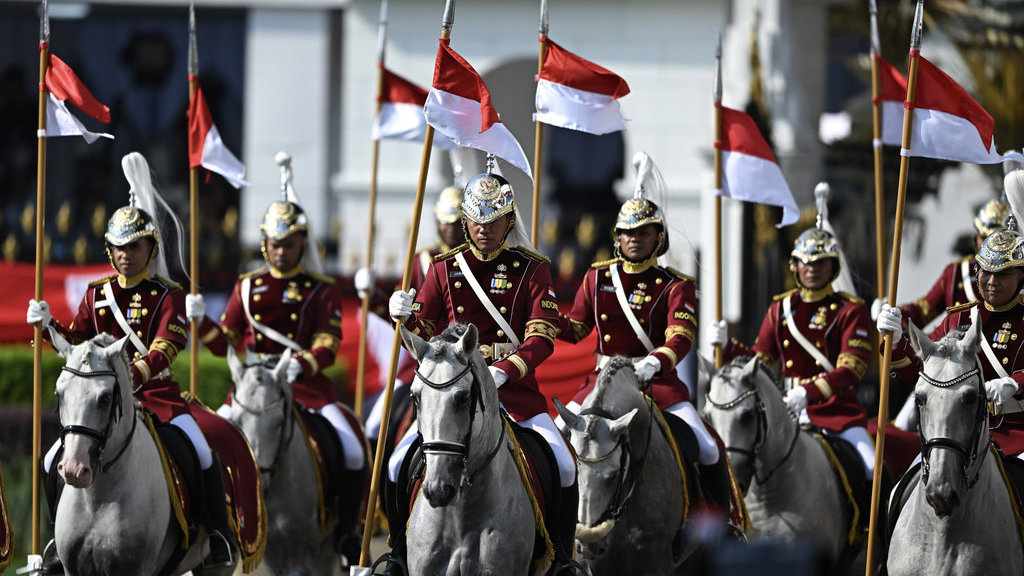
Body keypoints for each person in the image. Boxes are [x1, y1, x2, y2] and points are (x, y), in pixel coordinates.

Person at [26, 152, 235, 567]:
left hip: (156, 397)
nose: (125, 255)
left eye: (134, 247)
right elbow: (77, 345)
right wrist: (47, 327)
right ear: (109, 249)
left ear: (149, 247)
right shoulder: (96, 293)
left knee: (201, 449)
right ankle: (55, 543)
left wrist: (132, 375)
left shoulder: (167, 295)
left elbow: (168, 345)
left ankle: (216, 535)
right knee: (52, 458)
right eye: (118, 247)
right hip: (101, 398)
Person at [380, 162, 579, 575]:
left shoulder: (532, 268)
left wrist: (506, 370)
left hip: (515, 394)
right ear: (465, 220)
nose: (483, 229)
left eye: (493, 221)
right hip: (452, 390)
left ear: (509, 220)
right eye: (475, 220)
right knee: (398, 462)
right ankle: (398, 553)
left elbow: (542, 335)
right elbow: (423, 330)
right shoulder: (444, 267)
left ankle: (562, 558)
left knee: (562, 463)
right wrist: (401, 314)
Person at [186, 196, 365, 558]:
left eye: (288, 244)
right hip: (255, 387)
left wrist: (306, 363)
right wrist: (202, 322)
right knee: (204, 441)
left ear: (302, 242)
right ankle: (204, 529)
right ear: (265, 243)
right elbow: (225, 346)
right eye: (273, 243)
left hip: (305, 386)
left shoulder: (321, 288)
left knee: (353, 448)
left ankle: (346, 533)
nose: (280, 251)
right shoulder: (247, 287)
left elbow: (328, 343)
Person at [556, 151, 731, 514]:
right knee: (557, 439)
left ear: (658, 237)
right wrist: (541, 314)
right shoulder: (597, 277)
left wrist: (656, 361)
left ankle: (719, 525)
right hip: (601, 381)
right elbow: (575, 329)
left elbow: (680, 334)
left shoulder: (674, 285)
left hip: (656, 384)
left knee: (708, 447)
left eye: (642, 232)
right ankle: (558, 530)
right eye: (627, 233)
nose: (633, 239)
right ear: (617, 237)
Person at [708, 226, 876, 480]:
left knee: (873, 469)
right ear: (794, 265)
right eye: (804, 262)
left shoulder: (850, 310)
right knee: (738, 459)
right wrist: (727, 346)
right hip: (786, 410)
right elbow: (760, 361)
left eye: (820, 263)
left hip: (836, 412)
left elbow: (851, 369)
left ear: (833, 265)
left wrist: (808, 392)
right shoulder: (780, 308)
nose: (812, 269)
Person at [877, 227, 1024, 459]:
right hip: (959, 435)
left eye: (1003, 274)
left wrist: (1015, 384)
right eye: (985, 272)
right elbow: (921, 372)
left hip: (1015, 435)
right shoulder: (958, 318)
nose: (992, 281)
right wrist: (896, 343)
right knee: (903, 490)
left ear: (1021, 276)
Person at [874, 198, 1009, 430]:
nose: (991, 247)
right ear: (976, 237)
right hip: (947, 376)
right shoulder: (956, 276)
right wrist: (893, 316)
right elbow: (922, 311)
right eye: (985, 238)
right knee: (900, 428)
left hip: (1005, 409)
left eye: (998, 240)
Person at [358, 184, 464, 449]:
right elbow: (400, 316)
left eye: (455, 222)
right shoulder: (421, 261)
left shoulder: (477, 260)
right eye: (444, 222)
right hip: (424, 359)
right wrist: (372, 296)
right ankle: (378, 488)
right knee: (374, 425)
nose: (449, 228)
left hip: (464, 357)